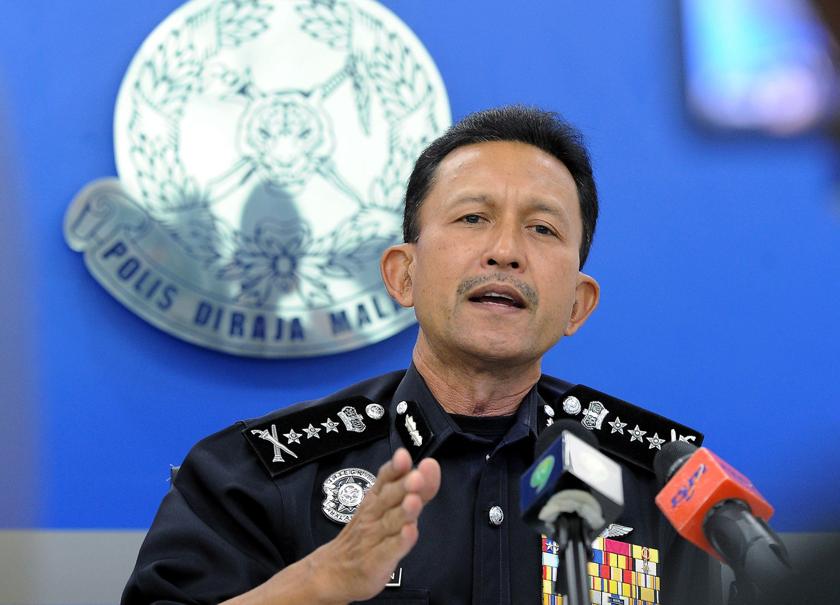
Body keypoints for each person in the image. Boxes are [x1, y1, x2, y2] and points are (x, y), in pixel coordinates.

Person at [122, 106, 723, 604]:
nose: (506, 252)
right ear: (403, 275)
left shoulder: (659, 483)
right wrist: (315, 584)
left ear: (578, 305)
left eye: (543, 229)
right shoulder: (261, 475)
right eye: (472, 217)